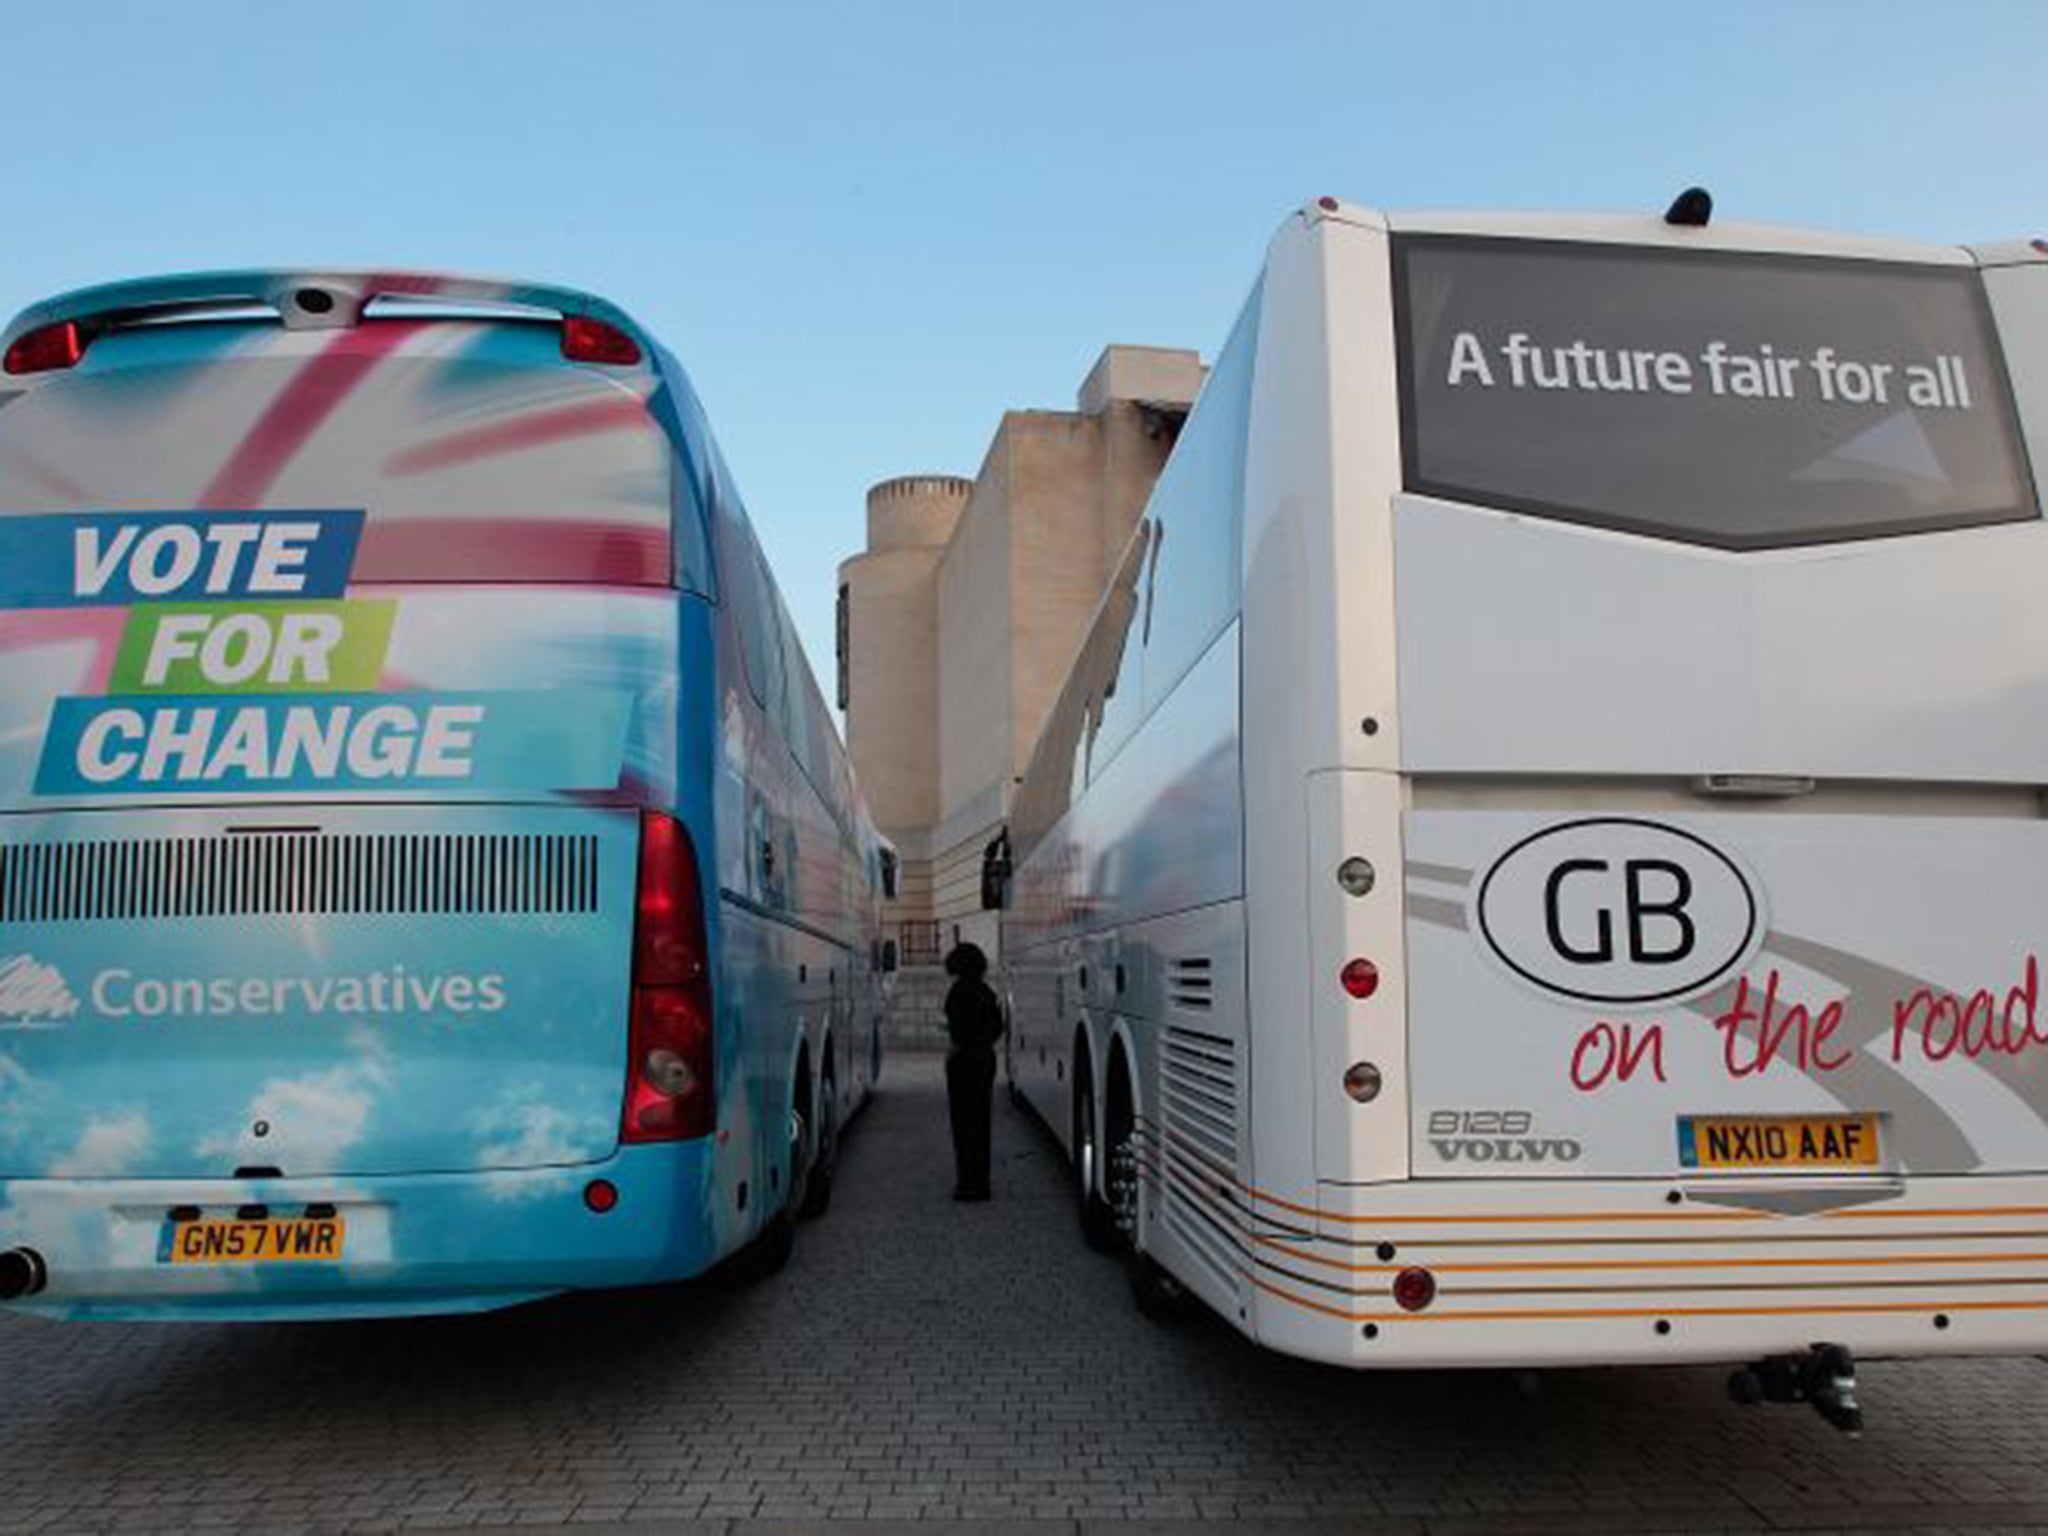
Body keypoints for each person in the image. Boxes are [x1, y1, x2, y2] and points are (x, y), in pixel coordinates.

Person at [942, 941, 1005, 1201]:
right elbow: (997, 1027)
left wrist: (956, 1047)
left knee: (962, 1124)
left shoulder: (957, 992)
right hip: (984, 1059)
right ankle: (982, 1183)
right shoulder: (986, 992)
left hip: (962, 1061)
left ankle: (966, 1183)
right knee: (981, 1122)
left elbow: (956, 1030)